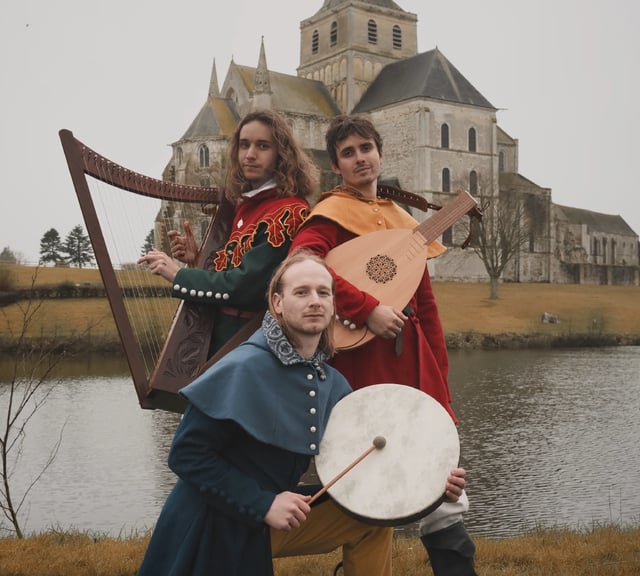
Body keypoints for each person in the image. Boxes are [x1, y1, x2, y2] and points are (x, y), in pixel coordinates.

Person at [289, 114, 478, 576]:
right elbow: (303, 262)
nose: (360, 158)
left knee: (441, 478)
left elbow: (425, 306)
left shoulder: (401, 220)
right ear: (337, 165)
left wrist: (441, 383)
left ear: (380, 153)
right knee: (371, 472)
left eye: (366, 148)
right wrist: (364, 308)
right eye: (348, 153)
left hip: (415, 361)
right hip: (363, 366)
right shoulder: (330, 214)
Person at [136, 251, 397, 576]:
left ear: (333, 305)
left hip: (273, 512)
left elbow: (365, 455)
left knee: (371, 521)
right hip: (214, 520)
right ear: (277, 303)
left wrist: (427, 482)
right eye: (301, 292)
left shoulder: (333, 383)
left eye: (323, 292)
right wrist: (263, 504)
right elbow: (186, 455)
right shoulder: (242, 367)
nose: (314, 301)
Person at [137, 109, 317, 356]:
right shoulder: (243, 205)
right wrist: (198, 259)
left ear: (281, 155)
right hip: (225, 334)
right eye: (244, 145)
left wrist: (178, 274)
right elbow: (232, 269)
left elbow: (244, 287)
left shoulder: (289, 211)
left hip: (254, 342)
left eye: (262, 146)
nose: (250, 155)